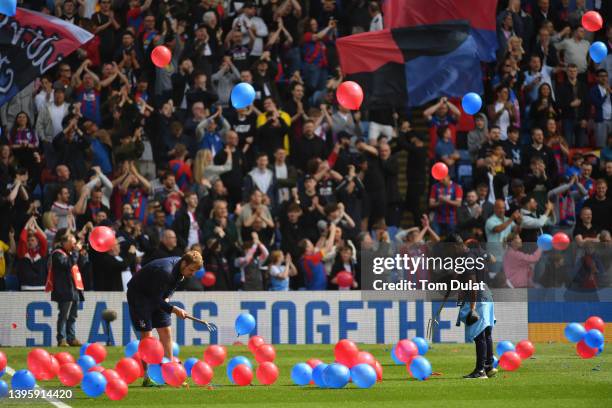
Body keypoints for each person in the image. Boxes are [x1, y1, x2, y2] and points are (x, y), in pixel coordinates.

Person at [126, 251, 204, 386]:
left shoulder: (181, 271)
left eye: (195, 271)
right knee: (147, 338)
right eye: (191, 270)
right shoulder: (165, 271)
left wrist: (167, 299)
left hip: (156, 295)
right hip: (139, 297)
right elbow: (155, 299)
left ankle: (170, 373)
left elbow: (168, 291)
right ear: (184, 263)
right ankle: (147, 377)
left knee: (166, 332)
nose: (192, 274)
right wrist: (173, 309)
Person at [46, 229, 87, 347]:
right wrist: (75, 252)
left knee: (73, 316)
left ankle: (71, 338)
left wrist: (82, 255)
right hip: (64, 290)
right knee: (64, 315)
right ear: (65, 242)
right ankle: (61, 339)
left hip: (74, 289)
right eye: (72, 242)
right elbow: (68, 265)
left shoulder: (71, 254)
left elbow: (81, 266)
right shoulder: (57, 253)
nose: (75, 245)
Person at [299, 223, 337, 290]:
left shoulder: (304, 259)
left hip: (312, 288)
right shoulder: (312, 259)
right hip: (318, 289)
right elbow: (329, 247)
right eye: (310, 244)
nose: (313, 245)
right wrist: (333, 230)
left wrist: (324, 235)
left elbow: (317, 247)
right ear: (307, 249)